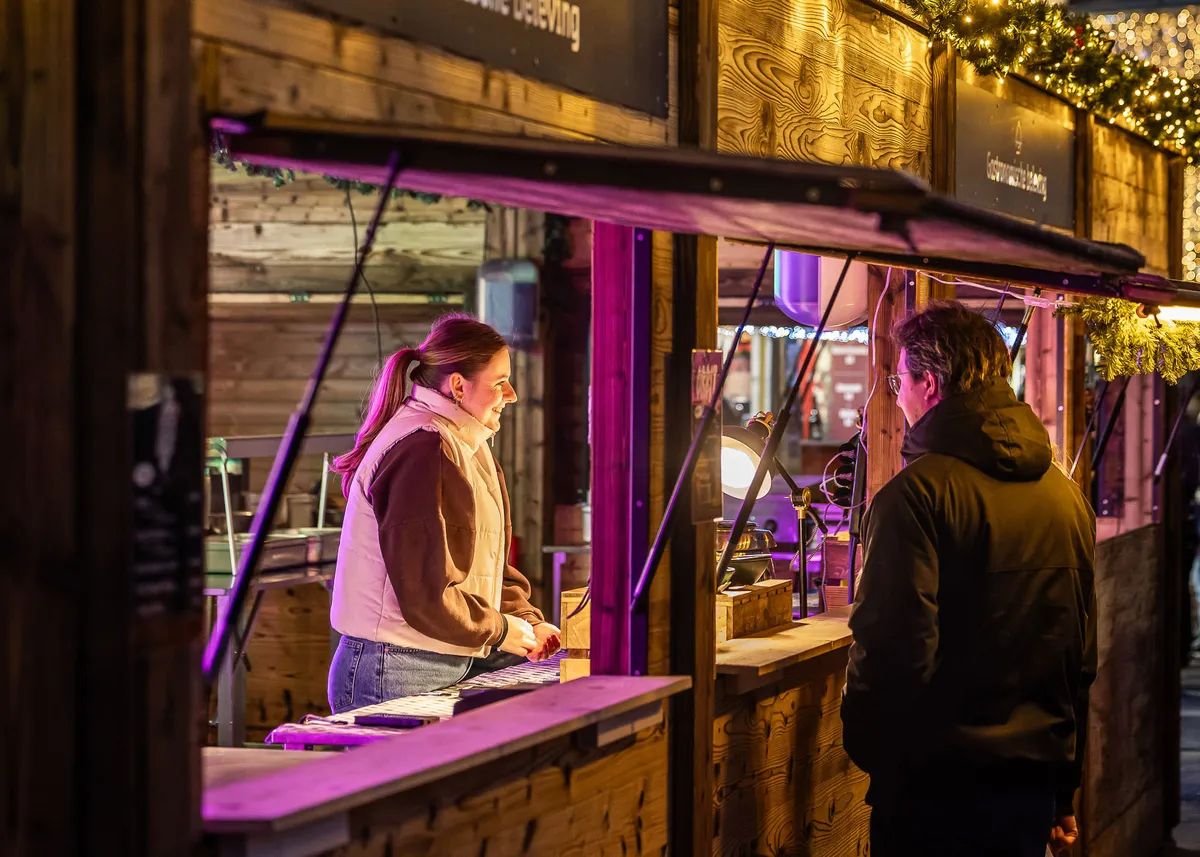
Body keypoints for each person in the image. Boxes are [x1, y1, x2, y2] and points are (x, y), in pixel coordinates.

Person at [841, 301, 1097, 857]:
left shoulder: (914, 498)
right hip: (1029, 791)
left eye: (898, 379)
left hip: (934, 795)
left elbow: (893, 651)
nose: (896, 393)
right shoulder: (1064, 495)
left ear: (929, 384)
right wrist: (1064, 788)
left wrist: (873, 753)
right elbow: (1079, 657)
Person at [327, 314, 560, 713]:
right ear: (457, 385)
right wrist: (503, 629)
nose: (512, 394)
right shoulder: (424, 447)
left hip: (440, 659)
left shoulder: (467, 442)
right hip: (395, 669)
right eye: (500, 382)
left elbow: (487, 565)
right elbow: (426, 593)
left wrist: (527, 619)